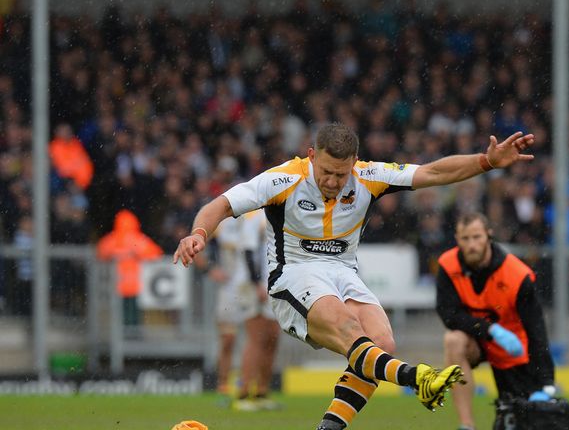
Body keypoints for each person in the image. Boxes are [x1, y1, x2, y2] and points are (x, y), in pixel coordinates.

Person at [174, 123, 535, 430]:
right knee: (351, 331)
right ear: (312, 155)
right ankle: (416, 377)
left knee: (382, 343)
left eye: (340, 174)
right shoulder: (283, 179)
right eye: (326, 171)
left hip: (344, 273)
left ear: (354, 164)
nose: (332, 181)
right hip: (293, 276)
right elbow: (219, 205)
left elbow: (434, 173)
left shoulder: (368, 176)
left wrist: (487, 161)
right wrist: (199, 234)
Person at [436, 212, 555, 430]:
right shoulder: (447, 265)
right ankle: (466, 426)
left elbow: (536, 328)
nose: (472, 244)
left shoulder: (517, 275)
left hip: (513, 350)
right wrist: (490, 330)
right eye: (466, 238)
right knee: (453, 340)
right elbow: (448, 315)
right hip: (480, 341)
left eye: (477, 237)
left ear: (489, 235)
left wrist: (546, 383)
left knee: (521, 421)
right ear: (456, 238)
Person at [205, 209, 281, 411]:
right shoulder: (254, 216)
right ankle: (243, 393)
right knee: (256, 337)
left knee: (272, 337)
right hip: (251, 285)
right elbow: (248, 250)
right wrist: (256, 283)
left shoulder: (277, 213)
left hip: (273, 284)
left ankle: (261, 392)